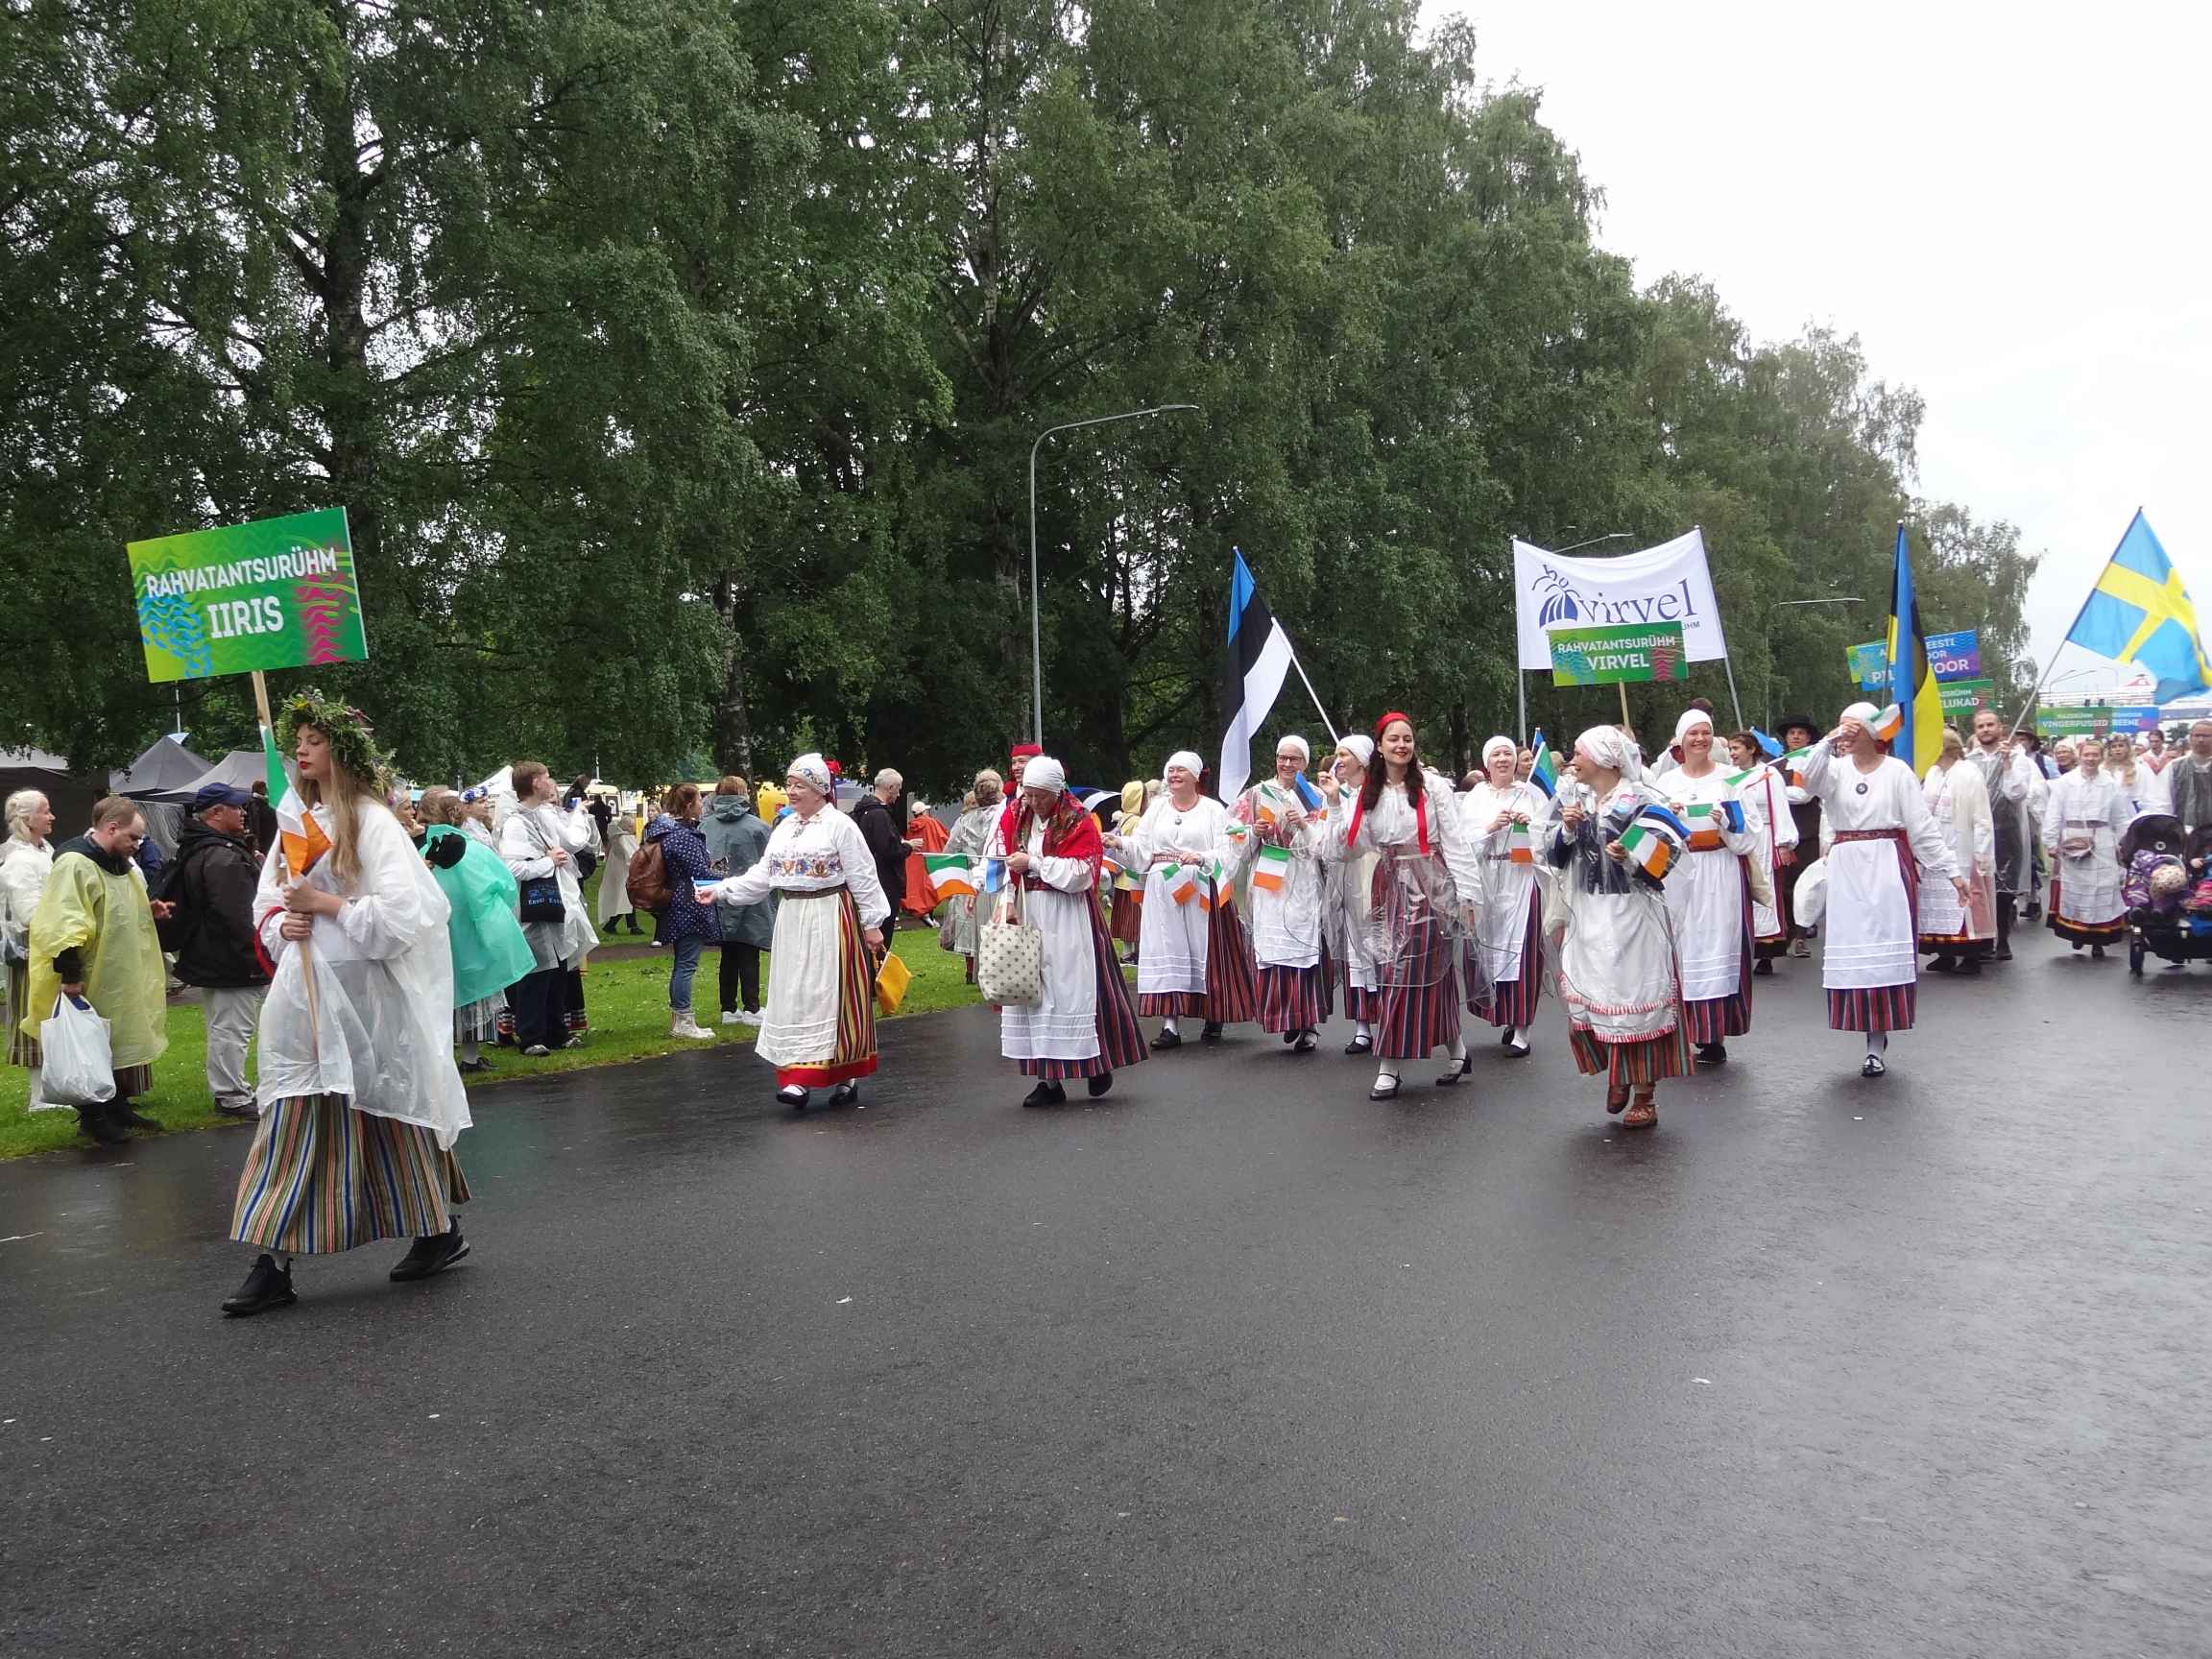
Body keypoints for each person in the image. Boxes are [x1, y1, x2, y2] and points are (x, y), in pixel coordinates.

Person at [220, 691, 473, 1316]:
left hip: (370, 1001)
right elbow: (269, 902)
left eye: (315, 739)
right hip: (305, 999)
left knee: (390, 1112)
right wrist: (283, 925)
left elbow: (406, 916)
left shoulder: (372, 823)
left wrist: (327, 905)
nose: (301, 749)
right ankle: (271, 1263)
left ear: (344, 751)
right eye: (298, 740)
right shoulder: (295, 821)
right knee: (293, 1117)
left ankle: (437, 1229)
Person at [1794, 704, 1965, 1076]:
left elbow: (1922, 827)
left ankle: (1876, 1042)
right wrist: (1825, 744)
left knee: (1883, 955)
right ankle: (1865, 1029)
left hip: (1887, 864)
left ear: (1873, 731)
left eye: (1853, 727)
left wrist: (1952, 871)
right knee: (1855, 955)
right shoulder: (1835, 769)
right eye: (1841, 726)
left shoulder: (1897, 771)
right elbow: (1808, 782)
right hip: (1847, 867)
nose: (1846, 733)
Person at [712, 754, 889, 1110]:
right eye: (790, 784)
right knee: (792, 994)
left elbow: (863, 875)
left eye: (800, 786)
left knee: (825, 994)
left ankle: (844, 1075)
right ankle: (796, 1077)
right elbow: (764, 875)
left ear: (819, 790)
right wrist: (721, 890)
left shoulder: (840, 825)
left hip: (829, 914)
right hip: (791, 916)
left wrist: (872, 924)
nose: (791, 791)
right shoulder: (784, 827)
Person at [1324, 713, 1484, 1100]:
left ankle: (1389, 1065)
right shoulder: (1368, 792)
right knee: (1407, 971)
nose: (1401, 745)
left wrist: (1467, 895)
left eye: (1407, 739)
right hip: (1388, 885)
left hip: (1430, 886)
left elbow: (1456, 841)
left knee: (1409, 970)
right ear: (1379, 746)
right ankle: (1458, 1052)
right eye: (1393, 739)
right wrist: (1334, 804)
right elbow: (1343, 849)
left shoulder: (1433, 787)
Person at [980, 754, 1147, 1105]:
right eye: (1029, 794)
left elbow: (1081, 874)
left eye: (1040, 796)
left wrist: (1035, 863)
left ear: (1057, 791)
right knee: (1034, 990)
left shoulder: (1077, 820)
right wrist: (1007, 900)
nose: (1034, 802)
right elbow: (1004, 860)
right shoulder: (1016, 814)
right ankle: (1048, 1081)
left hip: (1067, 913)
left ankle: (1094, 1064)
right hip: (1029, 910)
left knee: (1073, 990)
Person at [1547, 727, 1692, 1129]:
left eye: (1580, 752)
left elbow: (1666, 861)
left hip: (1631, 912)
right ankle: (1618, 1070)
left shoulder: (1641, 802)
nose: (1574, 760)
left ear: (1604, 759)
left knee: (1632, 994)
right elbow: (1554, 857)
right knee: (1597, 992)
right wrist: (1567, 830)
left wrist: (1630, 857)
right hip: (1589, 912)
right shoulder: (1577, 799)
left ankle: (1644, 1092)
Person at [21, 797, 172, 1143]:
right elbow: (65, 920)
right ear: (111, 828)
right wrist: (70, 975)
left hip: (115, 969)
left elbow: (111, 905)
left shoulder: (118, 862)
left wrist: (147, 908)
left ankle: (117, 1106)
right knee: (87, 1041)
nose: (137, 845)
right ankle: (93, 1117)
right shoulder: (76, 863)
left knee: (113, 1038)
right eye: (133, 837)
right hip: (89, 970)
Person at [1109, 751, 1258, 1049]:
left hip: (1201, 888)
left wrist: (1201, 857)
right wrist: (1119, 842)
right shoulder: (1157, 810)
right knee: (1167, 948)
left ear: (1195, 776)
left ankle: (1214, 1013)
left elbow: (1230, 848)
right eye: (1171, 770)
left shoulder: (1213, 810)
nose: (1174, 775)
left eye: (1181, 770)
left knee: (1206, 949)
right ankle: (1170, 1024)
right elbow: (1142, 847)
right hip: (1163, 892)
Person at [1652, 709, 1756, 1067]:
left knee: (1718, 943)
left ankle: (1713, 1035)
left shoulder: (1730, 780)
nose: (1700, 739)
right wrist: (1668, 819)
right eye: (1693, 733)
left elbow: (1748, 835)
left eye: (1705, 732)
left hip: (1720, 872)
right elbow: (1650, 835)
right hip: (1681, 873)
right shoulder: (1665, 784)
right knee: (1682, 947)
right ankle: (1679, 1030)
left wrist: (1726, 822)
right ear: (1680, 740)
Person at [166, 782, 272, 1117]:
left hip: (217, 954)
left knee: (227, 1026)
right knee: (231, 1028)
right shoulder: (221, 856)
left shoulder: (205, 849)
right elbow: (235, 914)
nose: (242, 813)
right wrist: (257, 954)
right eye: (236, 807)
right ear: (216, 812)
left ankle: (231, 1091)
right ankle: (231, 1095)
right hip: (230, 958)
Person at [1231, 736, 1334, 1055]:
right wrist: (1253, 832)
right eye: (1282, 758)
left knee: (1304, 947)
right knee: (1273, 947)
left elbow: (1327, 844)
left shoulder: (1315, 796)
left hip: (1302, 878)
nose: (1287, 764)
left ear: (1305, 762)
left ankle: (1308, 1023)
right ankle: (1286, 1015)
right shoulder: (1256, 794)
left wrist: (1303, 825)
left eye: (1294, 759)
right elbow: (1232, 836)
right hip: (1269, 877)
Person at [417, 788, 531, 1072]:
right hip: (473, 933)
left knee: (440, 993)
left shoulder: (422, 855)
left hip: (437, 937)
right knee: (475, 993)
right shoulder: (474, 850)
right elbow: (505, 885)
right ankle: (470, 1056)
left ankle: (442, 1057)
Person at [1456, 734, 1550, 1057]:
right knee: (1490, 951)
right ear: (1487, 762)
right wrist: (1490, 827)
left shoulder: (1531, 794)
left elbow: (1548, 838)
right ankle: (1504, 1014)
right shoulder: (1475, 798)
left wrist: (1529, 826)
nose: (1503, 760)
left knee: (1523, 951)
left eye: (1508, 754)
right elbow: (1462, 843)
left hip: (1521, 878)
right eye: (1496, 754)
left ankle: (1522, 1028)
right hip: (1487, 881)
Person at [500, 760, 598, 1056]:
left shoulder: (542, 815)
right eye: (546, 777)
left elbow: (573, 841)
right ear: (534, 783)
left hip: (552, 899)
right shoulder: (516, 823)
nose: (551, 781)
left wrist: (578, 815)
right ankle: (531, 1035)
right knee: (536, 970)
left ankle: (556, 1031)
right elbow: (513, 867)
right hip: (531, 903)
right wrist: (548, 862)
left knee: (557, 965)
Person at [2041, 733, 2132, 958]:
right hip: (2073, 839)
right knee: (2077, 889)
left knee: (2102, 888)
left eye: (2095, 755)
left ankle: (2098, 940)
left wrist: (2123, 843)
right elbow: (2054, 812)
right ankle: (2078, 932)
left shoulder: (2110, 783)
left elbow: (2120, 816)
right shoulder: (2066, 782)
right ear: (2080, 756)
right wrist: (2051, 841)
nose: (2091, 759)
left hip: (2102, 839)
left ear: (2101, 757)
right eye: (2087, 755)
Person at [642, 783, 720, 1039]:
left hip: (676, 901)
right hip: (689, 903)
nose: (701, 805)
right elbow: (699, 873)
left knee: (683, 962)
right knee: (686, 964)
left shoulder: (665, 832)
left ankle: (681, 1019)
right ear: (688, 805)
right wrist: (726, 878)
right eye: (698, 800)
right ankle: (683, 1020)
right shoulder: (683, 837)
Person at [1320, 736, 1382, 1053]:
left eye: (1345, 754)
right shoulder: (1336, 795)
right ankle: (1362, 1027)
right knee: (1355, 951)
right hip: (1348, 879)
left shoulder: (1379, 793)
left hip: (1377, 874)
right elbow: (1330, 844)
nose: (1338, 760)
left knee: (1381, 946)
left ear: (1362, 760)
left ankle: (1389, 1021)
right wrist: (1332, 803)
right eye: (1337, 754)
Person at [1960, 709, 2036, 961]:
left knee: (2004, 887)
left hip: (2005, 828)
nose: (1985, 730)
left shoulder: (2017, 759)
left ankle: (2002, 938)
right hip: (1975, 830)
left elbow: (2017, 793)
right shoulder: (1968, 761)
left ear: (2000, 728)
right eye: (1980, 726)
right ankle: (1982, 939)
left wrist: (2007, 765)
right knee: (1979, 884)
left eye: (1990, 725)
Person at [1920, 729, 1996, 974]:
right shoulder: (1932, 773)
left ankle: (1971, 957)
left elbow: (1981, 815)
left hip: (1961, 845)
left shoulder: (1968, 773)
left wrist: (1981, 852)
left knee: (1965, 898)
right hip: (1936, 848)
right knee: (1937, 900)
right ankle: (1945, 953)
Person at [2, 790, 60, 1113]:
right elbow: (28, 913)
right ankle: (38, 1096)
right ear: (27, 818)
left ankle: (51, 1090)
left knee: (48, 1016)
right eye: (45, 811)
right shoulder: (19, 859)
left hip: (46, 946)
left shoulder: (43, 850)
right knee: (32, 1017)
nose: (51, 817)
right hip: (29, 952)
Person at [1726, 731, 1798, 974]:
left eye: (1737, 748)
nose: (1732, 753)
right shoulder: (1728, 776)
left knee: (1764, 888)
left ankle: (1766, 953)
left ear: (1752, 750)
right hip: (1737, 836)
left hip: (1764, 837)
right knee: (1739, 889)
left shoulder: (1768, 774)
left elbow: (1780, 806)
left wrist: (1783, 843)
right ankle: (1741, 948)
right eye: (1730, 749)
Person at [701, 776, 771, 1025]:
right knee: (749, 951)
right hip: (751, 896)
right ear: (743, 793)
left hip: (716, 895)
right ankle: (751, 1007)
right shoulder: (759, 828)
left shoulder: (705, 826)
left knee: (728, 954)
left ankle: (728, 1008)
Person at [941, 769, 1004, 983]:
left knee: (973, 928)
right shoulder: (1005, 815)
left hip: (971, 878)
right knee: (996, 926)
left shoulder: (964, 821)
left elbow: (949, 851)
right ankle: (996, 972)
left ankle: (974, 972)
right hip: (997, 877)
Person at [1775, 714, 1824, 958]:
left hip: (1807, 832)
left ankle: (1802, 936)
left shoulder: (1812, 762)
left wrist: (1775, 792)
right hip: (1782, 833)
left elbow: (1804, 795)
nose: (1795, 736)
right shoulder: (1775, 765)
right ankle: (1788, 933)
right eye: (1792, 733)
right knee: (1784, 886)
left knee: (1806, 885)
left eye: (1801, 733)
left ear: (1808, 738)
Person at [853, 768, 910, 934]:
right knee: (882, 935)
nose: (898, 795)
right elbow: (889, 851)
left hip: (867, 880)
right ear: (891, 788)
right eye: (898, 790)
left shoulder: (860, 812)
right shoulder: (879, 814)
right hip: (884, 883)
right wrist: (908, 847)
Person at [596, 793, 645, 936]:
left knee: (625, 901)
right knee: (627, 900)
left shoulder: (617, 838)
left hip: (619, 873)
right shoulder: (624, 838)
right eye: (630, 826)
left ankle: (625, 926)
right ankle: (628, 926)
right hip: (625, 874)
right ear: (625, 826)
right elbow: (633, 856)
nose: (632, 828)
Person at [2103, 731, 2171, 817]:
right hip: (2110, 813)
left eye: (2121, 746)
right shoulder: (2103, 769)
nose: (2117, 749)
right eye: (2113, 746)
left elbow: (2148, 795)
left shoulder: (2139, 768)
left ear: (2127, 748)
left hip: (2131, 813)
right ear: (2109, 750)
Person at [2168, 720, 2212, 831]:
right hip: (2184, 831)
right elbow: (2166, 801)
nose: (2201, 740)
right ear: (2190, 738)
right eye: (2197, 735)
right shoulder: (2174, 766)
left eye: (2206, 736)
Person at [245, 778, 278, 860]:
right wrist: (256, 837)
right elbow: (255, 821)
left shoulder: (265, 801)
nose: (266, 790)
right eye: (264, 788)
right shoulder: (254, 803)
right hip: (263, 837)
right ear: (259, 789)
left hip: (269, 834)